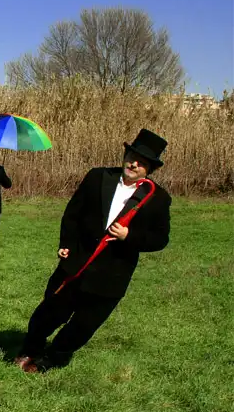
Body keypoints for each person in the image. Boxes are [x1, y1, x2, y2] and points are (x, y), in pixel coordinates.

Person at [15, 129, 171, 372]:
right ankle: (30, 349)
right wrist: (66, 244)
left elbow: (160, 239)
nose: (134, 164)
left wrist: (129, 236)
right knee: (49, 311)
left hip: (112, 275)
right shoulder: (98, 177)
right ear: (125, 155)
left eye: (142, 162)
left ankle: (51, 360)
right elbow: (72, 214)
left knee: (83, 326)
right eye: (132, 157)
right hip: (77, 263)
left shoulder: (158, 198)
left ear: (150, 168)